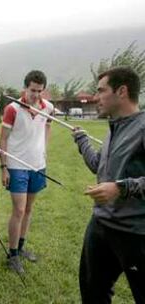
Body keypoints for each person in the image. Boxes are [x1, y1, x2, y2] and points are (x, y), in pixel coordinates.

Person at [73, 67, 145, 303]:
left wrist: (120, 188)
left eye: (101, 90)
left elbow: (117, 183)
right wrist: (82, 140)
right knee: (93, 292)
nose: (96, 97)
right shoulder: (114, 127)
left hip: (135, 233)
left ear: (122, 91)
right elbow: (98, 167)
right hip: (100, 225)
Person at [0, 70, 53, 274]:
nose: (35, 95)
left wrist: (44, 148)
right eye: (32, 90)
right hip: (16, 165)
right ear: (25, 88)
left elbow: (48, 127)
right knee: (19, 210)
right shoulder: (12, 109)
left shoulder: (49, 108)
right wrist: (3, 167)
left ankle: (20, 248)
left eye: (39, 91)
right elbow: (3, 139)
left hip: (37, 165)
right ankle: (12, 255)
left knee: (29, 210)